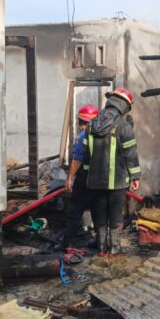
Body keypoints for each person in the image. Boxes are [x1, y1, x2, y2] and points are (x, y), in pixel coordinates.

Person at [82, 88, 141, 256]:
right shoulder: (124, 126)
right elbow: (131, 155)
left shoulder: (91, 125)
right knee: (115, 214)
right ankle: (114, 248)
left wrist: (88, 176)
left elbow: (86, 157)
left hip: (94, 182)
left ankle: (101, 249)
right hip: (118, 182)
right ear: (124, 106)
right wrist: (135, 176)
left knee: (99, 213)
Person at [62, 104, 99, 250]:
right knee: (98, 213)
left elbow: (77, 158)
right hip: (100, 180)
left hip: (84, 180)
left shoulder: (83, 135)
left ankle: (67, 244)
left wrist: (70, 178)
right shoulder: (105, 134)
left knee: (75, 211)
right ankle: (101, 244)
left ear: (80, 121)